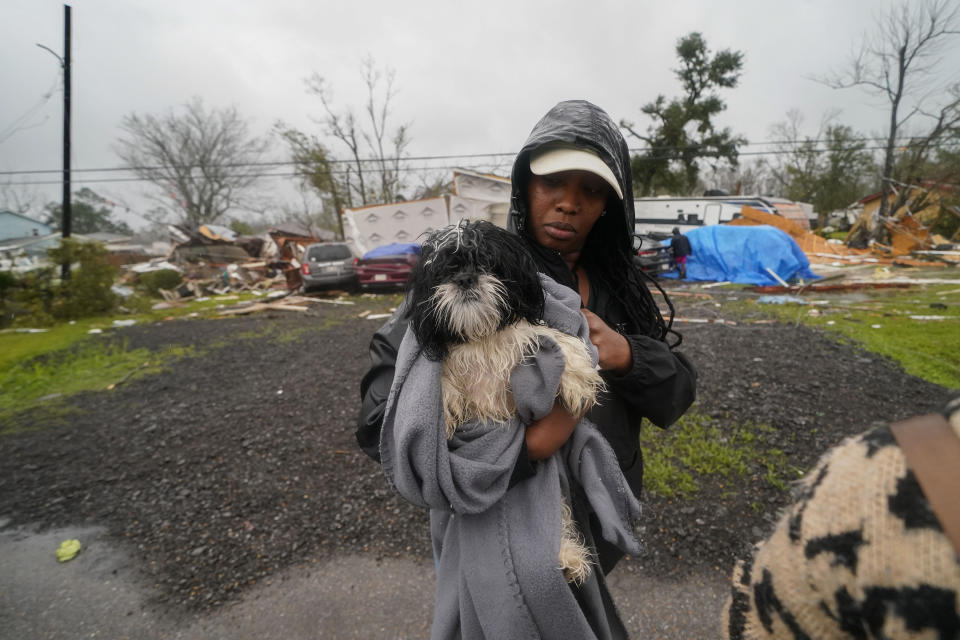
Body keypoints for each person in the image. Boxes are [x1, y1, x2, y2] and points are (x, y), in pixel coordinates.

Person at [358, 99, 697, 573]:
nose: (569, 202)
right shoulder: (467, 273)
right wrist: (527, 449)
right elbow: (384, 417)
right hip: (498, 533)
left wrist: (627, 355)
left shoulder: (618, 288)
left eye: (593, 190)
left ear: (609, 207)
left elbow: (677, 393)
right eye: (553, 181)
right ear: (524, 184)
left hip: (599, 525)